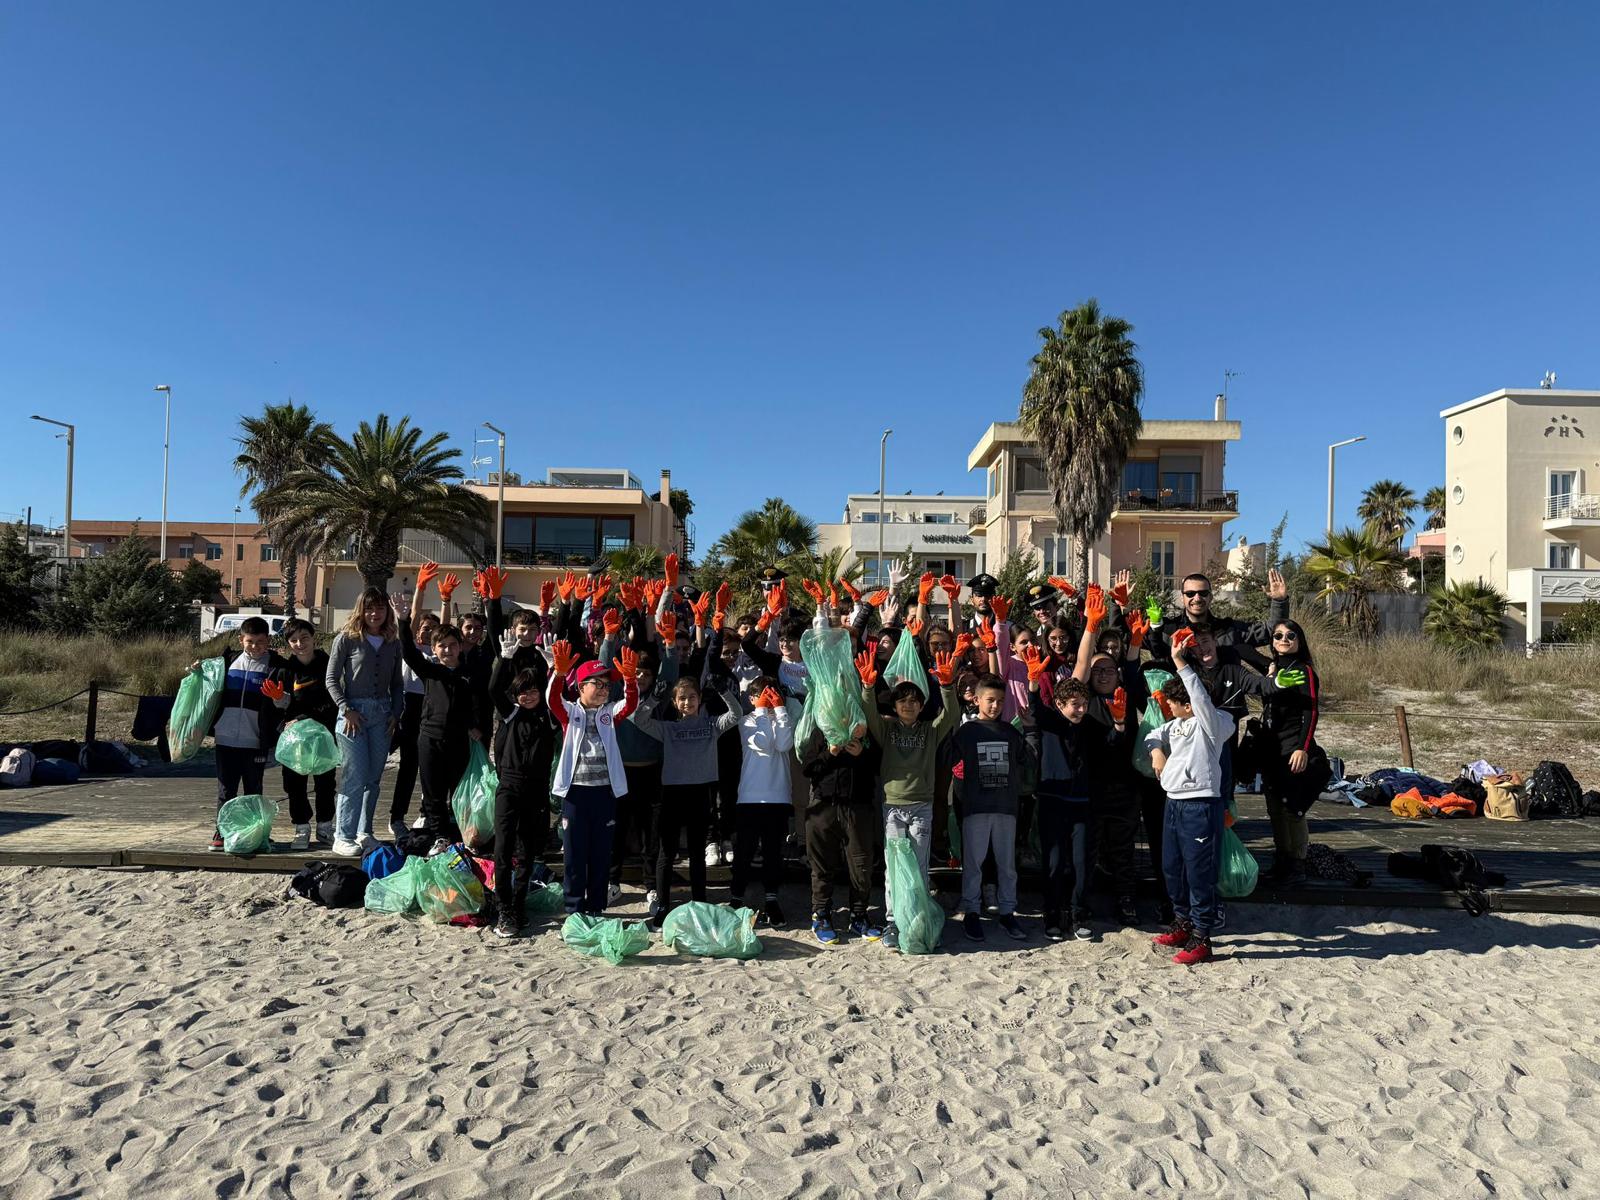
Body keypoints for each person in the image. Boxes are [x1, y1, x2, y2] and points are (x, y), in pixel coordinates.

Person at [857, 646, 959, 949]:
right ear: (896, 704)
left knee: (918, 864)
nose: (909, 705)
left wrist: (947, 686)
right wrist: (867, 687)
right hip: (892, 807)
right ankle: (893, 921)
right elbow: (869, 714)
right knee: (894, 866)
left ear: (921, 704)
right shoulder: (886, 729)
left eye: (914, 700)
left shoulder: (930, 731)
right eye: (903, 700)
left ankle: (918, 918)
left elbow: (951, 714)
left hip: (922, 807)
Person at [1145, 628, 1236, 966]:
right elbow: (1154, 734)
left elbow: (1199, 701)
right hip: (1173, 803)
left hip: (1201, 804)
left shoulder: (1216, 722)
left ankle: (1202, 937)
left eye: (1172, 703)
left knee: (1200, 872)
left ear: (1188, 703)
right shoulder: (1176, 725)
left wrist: (1180, 661)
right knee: (1173, 868)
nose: (1167, 708)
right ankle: (1182, 923)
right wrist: (1156, 751)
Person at [630, 672, 744, 926]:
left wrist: (725, 691)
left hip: (700, 794)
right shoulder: (669, 729)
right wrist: (653, 699)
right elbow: (638, 719)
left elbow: (736, 715)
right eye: (682, 698)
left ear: (700, 699)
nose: (687, 702)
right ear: (674, 703)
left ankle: (700, 904)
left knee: (696, 852)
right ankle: (662, 906)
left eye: (692, 697)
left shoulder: (711, 726)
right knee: (666, 854)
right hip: (672, 795)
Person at [1026, 654, 1124, 941]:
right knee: (1054, 863)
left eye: (1083, 704)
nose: (1080, 709)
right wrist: (1033, 682)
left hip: (1082, 804)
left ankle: (1079, 913)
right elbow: (1035, 707)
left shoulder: (1090, 725)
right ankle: (1053, 914)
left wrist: (1118, 722)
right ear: (1059, 704)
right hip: (1051, 802)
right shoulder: (1050, 722)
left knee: (1082, 864)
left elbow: (1112, 745)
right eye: (1074, 705)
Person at [548, 640, 640, 915]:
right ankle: (574, 910)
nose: (604, 689)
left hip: (604, 794)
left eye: (606, 684)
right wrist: (559, 674)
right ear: (581, 686)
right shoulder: (569, 712)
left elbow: (630, 703)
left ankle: (596, 908)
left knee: (600, 855)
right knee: (574, 857)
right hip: (575, 795)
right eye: (597, 684)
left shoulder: (609, 714)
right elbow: (552, 699)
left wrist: (630, 680)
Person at [393, 587, 489, 849]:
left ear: (460, 648)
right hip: (430, 740)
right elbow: (409, 652)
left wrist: (477, 726)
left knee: (459, 793)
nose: (447, 650)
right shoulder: (430, 671)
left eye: (452, 645)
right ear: (434, 650)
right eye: (442, 646)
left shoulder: (470, 672)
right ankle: (439, 839)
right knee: (433, 795)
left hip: (459, 741)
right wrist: (403, 621)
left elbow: (480, 702)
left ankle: (462, 837)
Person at [943, 673, 1032, 942]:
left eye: (1000, 701)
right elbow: (947, 757)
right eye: (990, 700)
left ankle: (1007, 912)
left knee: (1007, 865)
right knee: (974, 863)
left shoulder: (1009, 731)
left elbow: (1027, 759)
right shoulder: (968, 731)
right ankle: (972, 911)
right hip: (975, 808)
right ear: (977, 700)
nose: (995, 706)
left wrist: (1029, 729)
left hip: (1006, 808)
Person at [196, 616, 288, 851]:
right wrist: (198, 670)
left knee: (253, 790)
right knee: (225, 789)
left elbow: (287, 703)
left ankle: (256, 834)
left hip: (256, 740)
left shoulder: (278, 666)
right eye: (250, 641)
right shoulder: (228, 661)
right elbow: (207, 684)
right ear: (241, 639)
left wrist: (280, 698)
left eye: (260, 641)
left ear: (268, 640)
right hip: (225, 737)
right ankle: (222, 832)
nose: (255, 646)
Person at [324, 587, 404, 857]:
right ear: (361, 609)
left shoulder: (393, 641)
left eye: (380, 608)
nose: (375, 613)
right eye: (370, 608)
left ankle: (364, 832)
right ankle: (342, 835)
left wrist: (395, 712)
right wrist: (346, 709)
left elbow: (397, 682)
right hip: (352, 716)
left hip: (382, 715)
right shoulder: (346, 639)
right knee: (354, 776)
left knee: (373, 778)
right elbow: (331, 679)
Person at [487, 666, 558, 939]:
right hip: (509, 788)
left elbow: (557, 696)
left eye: (533, 691)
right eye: (522, 692)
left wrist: (553, 670)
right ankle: (504, 906)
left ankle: (518, 904)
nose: (528, 696)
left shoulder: (549, 717)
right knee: (503, 849)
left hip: (536, 791)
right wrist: (503, 659)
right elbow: (494, 689)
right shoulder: (512, 713)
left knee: (528, 851)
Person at [1259, 620, 1327, 884]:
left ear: (1300, 640)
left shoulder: (1304, 670)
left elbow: (1311, 711)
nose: (1284, 639)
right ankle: (1282, 858)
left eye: (1291, 635)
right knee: (1274, 807)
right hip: (1270, 749)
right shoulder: (1274, 670)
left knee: (1293, 808)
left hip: (1292, 746)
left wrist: (1303, 748)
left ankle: (1297, 862)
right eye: (1278, 635)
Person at [728, 677, 794, 925]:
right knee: (744, 851)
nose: (766, 699)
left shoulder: (783, 717)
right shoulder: (747, 721)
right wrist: (761, 711)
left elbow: (784, 743)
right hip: (750, 798)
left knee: (772, 853)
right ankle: (736, 897)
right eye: (761, 695)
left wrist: (778, 709)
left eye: (771, 694)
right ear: (752, 698)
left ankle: (771, 899)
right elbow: (763, 742)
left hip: (777, 797)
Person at [278, 618, 338, 852]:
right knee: (295, 785)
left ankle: (325, 827)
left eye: (304, 638)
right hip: (295, 739)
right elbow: (283, 705)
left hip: (324, 735)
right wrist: (279, 704)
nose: (299, 644)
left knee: (325, 783)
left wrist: (306, 718)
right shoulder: (286, 669)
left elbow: (332, 700)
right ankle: (301, 827)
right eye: (293, 640)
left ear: (314, 638)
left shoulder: (329, 665)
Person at [390, 605, 439, 841]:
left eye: (433, 630)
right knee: (398, 767)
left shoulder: (438, 653)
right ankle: (392, 816)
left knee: (420, 769)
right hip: (405, 708)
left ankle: (413, 815)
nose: (428, 633)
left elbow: (445, 626)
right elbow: (407, 625)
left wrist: (446, 600)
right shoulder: (409, 648)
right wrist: (419, 588)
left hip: (426, 710)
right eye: (425, 628)